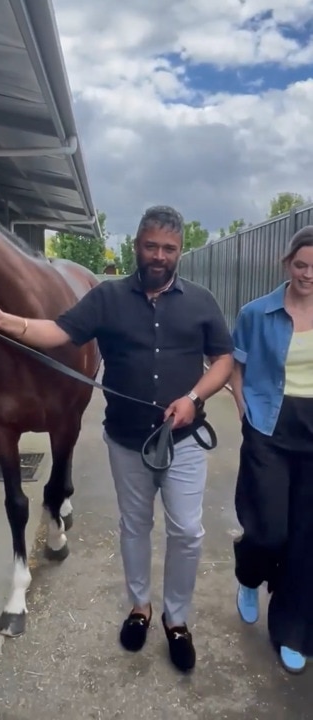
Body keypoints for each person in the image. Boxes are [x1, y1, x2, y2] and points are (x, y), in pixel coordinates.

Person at [0, 205, 233, 673]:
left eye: (168, 248)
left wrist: (193, 396)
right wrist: (5, 320)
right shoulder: (107, 297)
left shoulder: (202, 302)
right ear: (136, 245)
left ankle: (176, 618)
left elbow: (224, 361)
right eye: (151, 245)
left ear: (180, 252)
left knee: (187, 532)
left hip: (184, 439)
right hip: (127, 440)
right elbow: (56, 331)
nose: (159, 255)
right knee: (134, 526)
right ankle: (139, 608)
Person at [230, 225, 313, 674]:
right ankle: (248, 576)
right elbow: (235, 367)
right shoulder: (256, 313)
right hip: (268, 424)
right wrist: (244, 408)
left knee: (307, 539)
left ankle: (292, 630)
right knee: (268, 530)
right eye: (301, 265)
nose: (308, 274)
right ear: (287, 264)